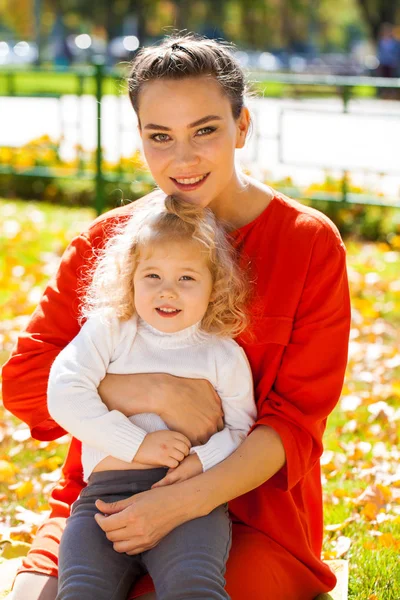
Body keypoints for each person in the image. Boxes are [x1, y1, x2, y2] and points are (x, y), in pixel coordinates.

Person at [2, 33, 351, 600]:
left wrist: (179, 501)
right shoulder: (107, 243)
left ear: (242, 127)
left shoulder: (308, 244)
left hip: (245, 514)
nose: (182, 159)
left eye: (205, 130)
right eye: (159, 137)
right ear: (140, 139)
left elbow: (293, 424)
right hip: (99, 504)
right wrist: (153, 390)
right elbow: (23, 383)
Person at [47, 194, 256, 599]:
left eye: (186, 278)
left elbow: (241, 429)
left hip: (188, 501)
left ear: (215, 286)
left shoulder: (222, 353)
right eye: (153, 276)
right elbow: (64, 390)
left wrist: (201, 461)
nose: (167, 292)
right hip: (104, 501)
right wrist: (138, 444)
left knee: (194, 586)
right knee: (81, 590)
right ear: (130, 278)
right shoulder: (110, 330)